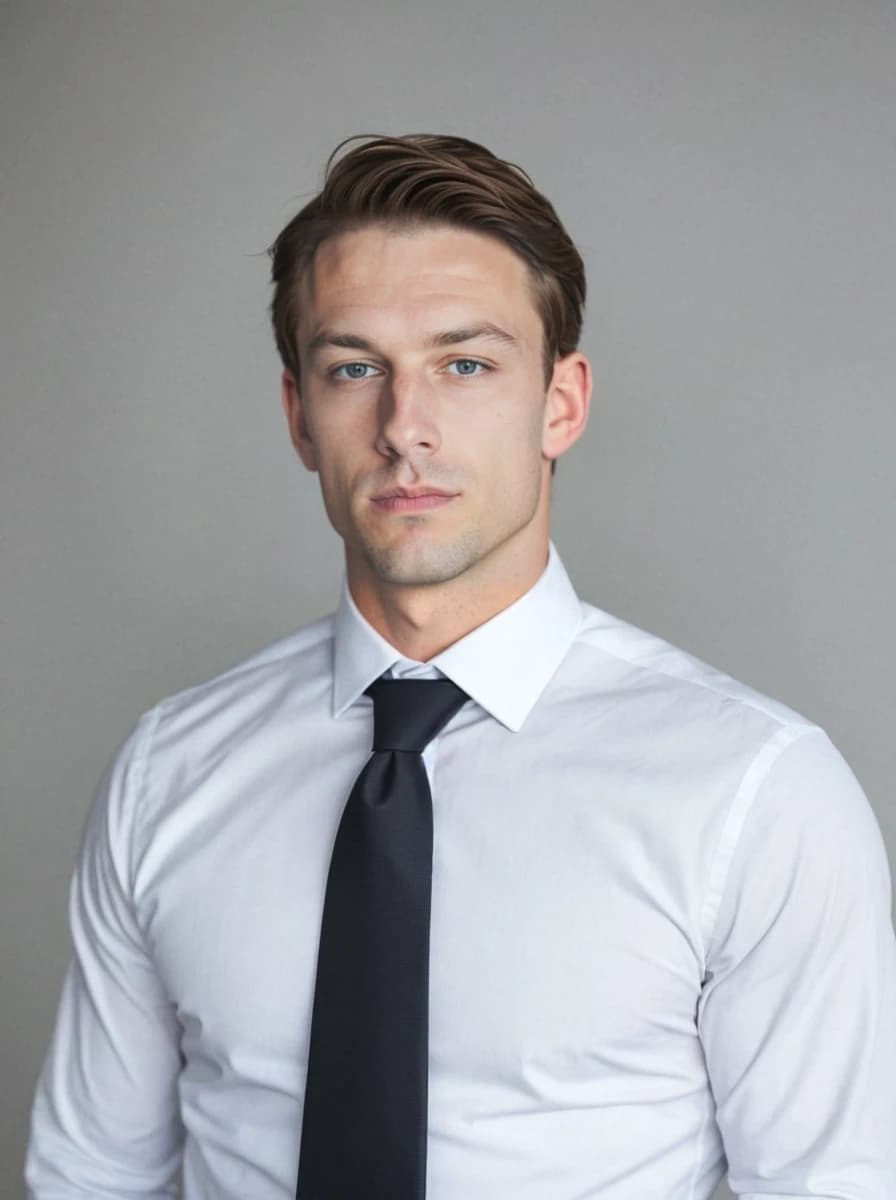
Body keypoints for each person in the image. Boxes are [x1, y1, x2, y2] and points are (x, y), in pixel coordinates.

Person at [26, 134, 896, 1199]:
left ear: (560, 404)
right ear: (300, 415)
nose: (405, 429)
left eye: (464, 365)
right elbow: (90, 1178)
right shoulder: (170, 770)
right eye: (354, 369)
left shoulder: (753, 794)